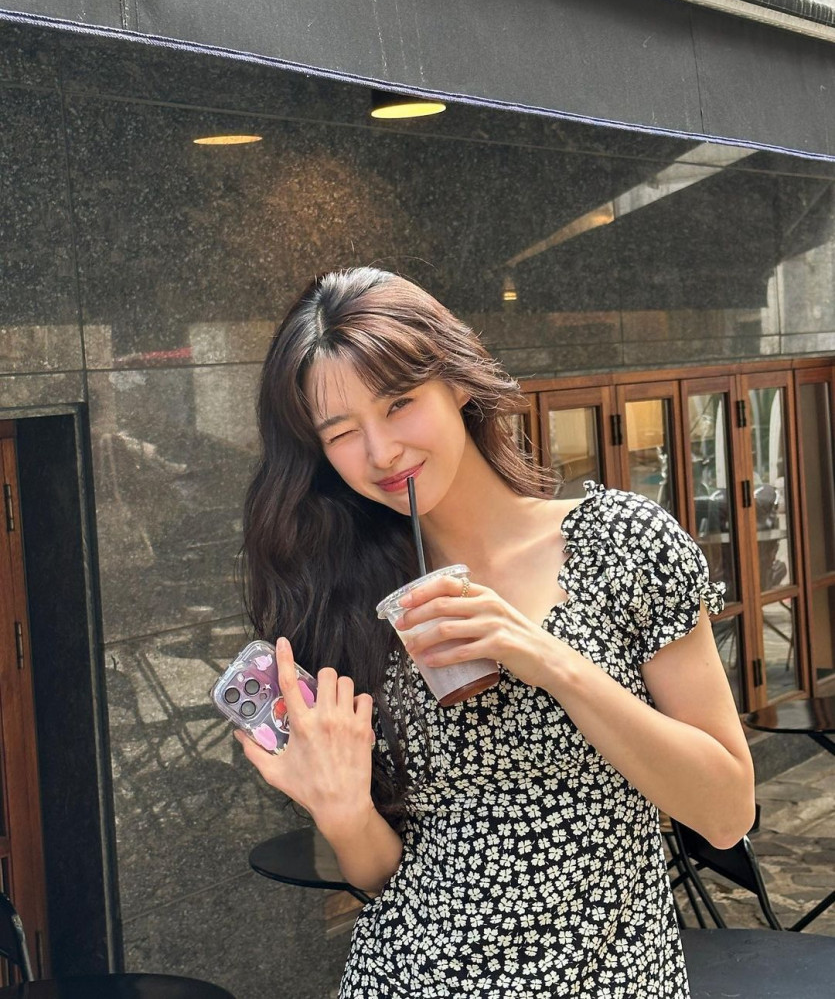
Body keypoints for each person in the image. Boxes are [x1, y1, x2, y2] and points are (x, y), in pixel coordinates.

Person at [237, 267, 756, 999]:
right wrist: (342, 809)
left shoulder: (621, 542)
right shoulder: (348, 602)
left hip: (609, 978)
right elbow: (384, 876)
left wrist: (546, 657)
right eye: (343, 433)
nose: (382, 452)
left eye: (399, 403)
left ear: (456, 383)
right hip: (406, 976)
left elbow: (726, 813)